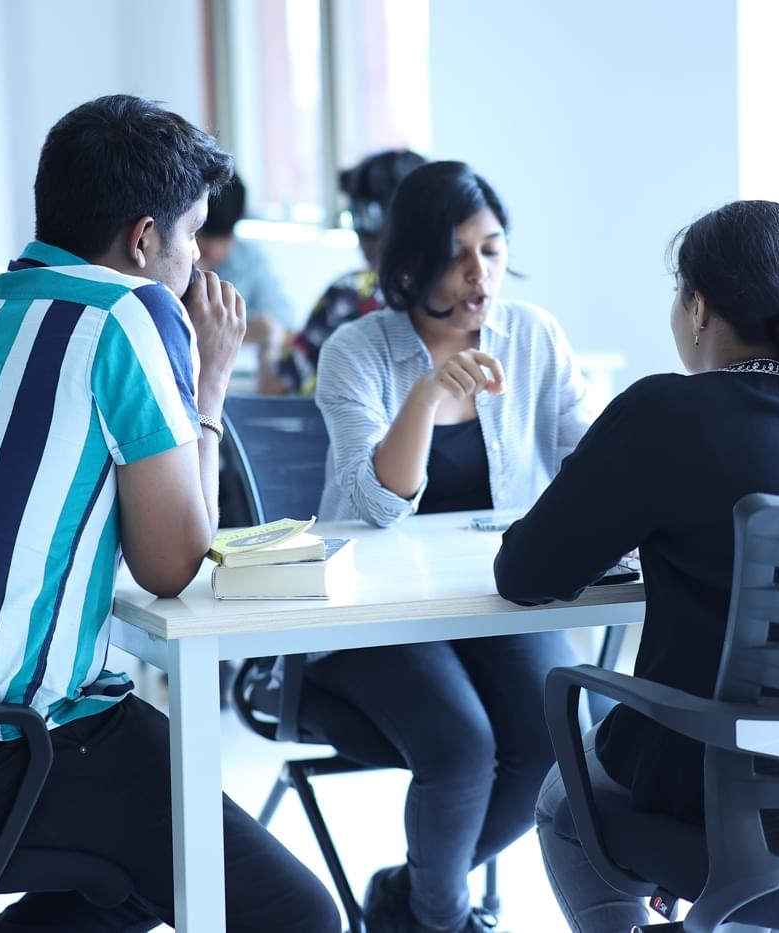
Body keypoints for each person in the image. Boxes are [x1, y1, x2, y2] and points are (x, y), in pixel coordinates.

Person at [0, 95, 340, 933]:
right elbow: (175, 565)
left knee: (134, 872)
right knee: (297, 914)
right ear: (144, 239)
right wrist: (207, 386)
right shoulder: (132, 312)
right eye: (192, 237)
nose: (196, 267)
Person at [494, 200, 779, 932]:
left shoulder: (669, 412)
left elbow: (527, 571)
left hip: (728, 774)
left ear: (697, 306)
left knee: (565, 803)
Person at [307, 161, 596, 932]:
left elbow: (591, 461)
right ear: (408, 266)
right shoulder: (356, 351)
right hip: (371, 610)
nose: (481, 274)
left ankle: (413, 897)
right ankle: (440, 919)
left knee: (556, 739)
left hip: (490, 601)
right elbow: (374, 505)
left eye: (493, 250)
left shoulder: (532, 336)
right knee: (462, 746)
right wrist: (428, 398)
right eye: (458, 254)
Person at [261, 148, 426, 395]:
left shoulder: (349, 294)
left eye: (357, 213)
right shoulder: (447, 292)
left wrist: (269, 341)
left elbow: (275, 389)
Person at [196, 172, 296, 360]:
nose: (214, 250)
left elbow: (285, 322)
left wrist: (251, 328)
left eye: (224, 239)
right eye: (204, 237)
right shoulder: (172, 260)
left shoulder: (249, 258)